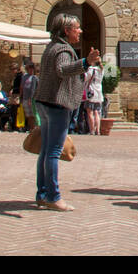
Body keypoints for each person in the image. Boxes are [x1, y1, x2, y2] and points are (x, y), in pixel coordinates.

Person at [34, 13, 101, 211]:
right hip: (56, 105)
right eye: (77, 28)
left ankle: (42, 194)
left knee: (45, 151)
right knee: (53, 152)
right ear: (66, 30)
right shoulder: (63, 49)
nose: (80, 31)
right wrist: (85, 62)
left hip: (45, 102)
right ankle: (54, 197)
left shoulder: (51, 47)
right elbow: (62, 69)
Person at [82, 62, 103, 135]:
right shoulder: (101, 70)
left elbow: (85, 78)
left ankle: (92, 130)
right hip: (99, 92)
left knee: (90, 112)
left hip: (91, 92)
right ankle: (98, 130)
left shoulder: (91, 69)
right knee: (97, 112)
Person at [19, 62, 39, 132]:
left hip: (33, 99)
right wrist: (20, 96)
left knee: (34, 114)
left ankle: (36, 128)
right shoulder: (24, 76)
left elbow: (36, 89)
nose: (30, 70)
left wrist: (32, 98)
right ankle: (31, 128)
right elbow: (21, 87)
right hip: (25, 98)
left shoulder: (35, 78)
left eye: (31, 69)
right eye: (28, 69)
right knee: (28, 115)